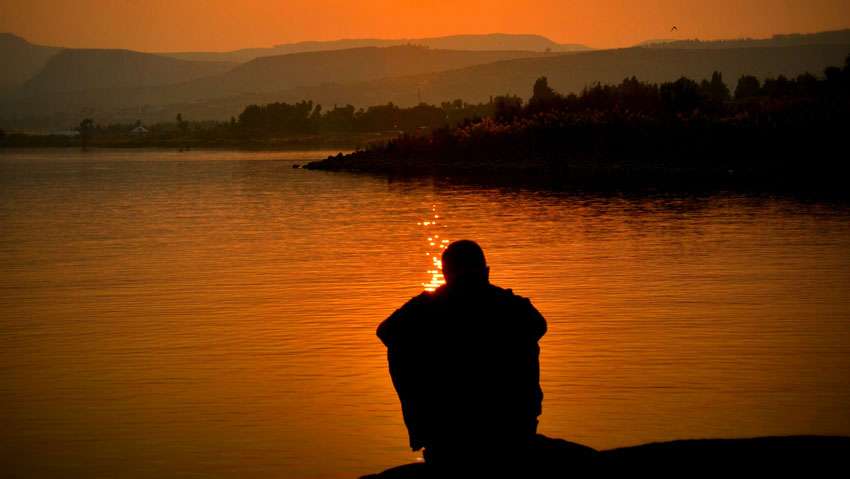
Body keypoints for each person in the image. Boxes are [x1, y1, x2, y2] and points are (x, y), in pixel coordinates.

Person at [377, 240, 548, 473]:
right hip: (511, 424)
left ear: (445, 274)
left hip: (456, 425)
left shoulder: (428, 306)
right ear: (486, 271)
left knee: (400, 347)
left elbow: (386, 332)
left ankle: (429, 430)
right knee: (399, 346)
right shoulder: (511, 305)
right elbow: (539, 326)